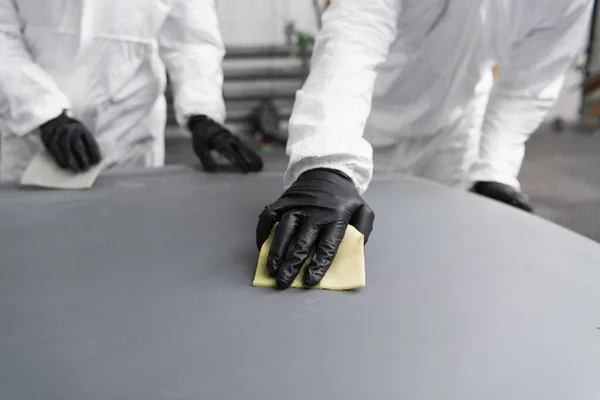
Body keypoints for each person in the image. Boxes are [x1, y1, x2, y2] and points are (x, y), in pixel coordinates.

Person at [257, 0, 594, 289]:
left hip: (453, 133)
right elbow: (356, 31)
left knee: (434, 260)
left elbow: (532, 81)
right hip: (362, 123)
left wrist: (494, 167)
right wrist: (328, 160)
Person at [0, 0, 263, 180]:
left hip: (127, 134)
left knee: (126, 240)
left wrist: (202, 113)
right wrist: (43, 112)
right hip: (28, 136)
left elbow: (192, 40)